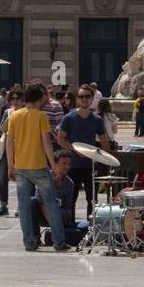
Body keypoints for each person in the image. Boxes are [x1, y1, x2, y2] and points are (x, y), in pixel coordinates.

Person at [6, 82, 69, 252]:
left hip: (20, 167)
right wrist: (53, 164)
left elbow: (9, 143)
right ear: (39, 98)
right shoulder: (41, 116)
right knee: (51, 203)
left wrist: (10, 165)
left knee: (24, 206)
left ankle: (29, 242)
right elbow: (47, 142)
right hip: (39, 166)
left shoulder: (14, 115)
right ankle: (59, 241)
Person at [56, 86, 111, 218]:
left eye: (87, 96)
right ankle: (71, 227)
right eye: (81, 97)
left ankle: (91, 229)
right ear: (77, 99)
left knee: (92, 200)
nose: (84, 99)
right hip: (72, 165)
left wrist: (105, 158)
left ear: (92, 98)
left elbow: (104, 141)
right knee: (71, 199)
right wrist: (74, 148)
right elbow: (60, 139)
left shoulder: (97, 119)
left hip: (90, 166)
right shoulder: (69, 117)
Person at [34, 150, 87, 247]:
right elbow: (40, 202)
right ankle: (35, 239)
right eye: (64, 164)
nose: (67, 167)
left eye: (69, 164)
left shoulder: (69, 183)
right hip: (44, 212)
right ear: (54, 164)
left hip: (59, 214)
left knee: (63, 214)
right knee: (32, 203)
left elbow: (68, 208)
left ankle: (59, 237)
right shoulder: (44, 178)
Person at [0, 87, 22, 216]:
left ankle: (21, 206)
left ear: (23, 100)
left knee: (21, 179)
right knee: (3, 178)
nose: (15, 101)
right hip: (6, 149)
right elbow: (1, 129)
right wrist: (11, 117)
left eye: (18, 99)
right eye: (12, 99)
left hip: (21, 148)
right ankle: (3, 204)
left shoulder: (27, 113)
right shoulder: (8, 112)